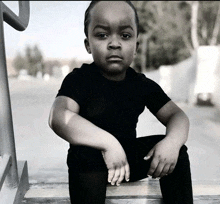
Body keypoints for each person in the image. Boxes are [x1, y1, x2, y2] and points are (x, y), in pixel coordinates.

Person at [48, 1, 193, 203]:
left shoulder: (141, 84)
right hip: (91, 167)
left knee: (176, 150)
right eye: (102, 35)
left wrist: (171, 143)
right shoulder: (80, 79)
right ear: (88, 44)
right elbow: (58, 117)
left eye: (125, 36)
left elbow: (177, 116)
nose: (114, 43)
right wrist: (108, 144)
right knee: (83, 152)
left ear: (135, 46)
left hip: (128, 162)